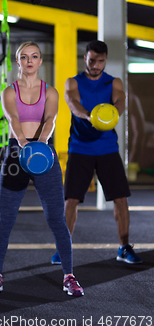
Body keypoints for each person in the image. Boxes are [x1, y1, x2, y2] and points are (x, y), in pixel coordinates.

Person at [0, 42, 84, 297]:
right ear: (18, 62)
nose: (29, 60)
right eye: (24, 57)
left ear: (40, 62)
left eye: (34, 56)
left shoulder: (50, 91)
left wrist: (39, 146)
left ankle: (69, 276)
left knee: (56, 219)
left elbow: (50, 119)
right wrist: (24, 144)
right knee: (5, 220)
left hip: (44, 155)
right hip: (18, 154)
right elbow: (13, 120)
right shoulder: (9, 91)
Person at [51, 40, 142, 265]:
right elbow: (72, 102)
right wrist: (90, 116)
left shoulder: (114, 82)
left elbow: (121, 101)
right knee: (71, 200)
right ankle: (64, 248)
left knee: (120, 199)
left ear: (105, 61)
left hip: (107, 148)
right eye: (92, 60)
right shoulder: (73, 82)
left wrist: (113, 113)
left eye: (100, 61)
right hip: (80, 148)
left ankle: (124, 247)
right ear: (85, 59)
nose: (96, 65)